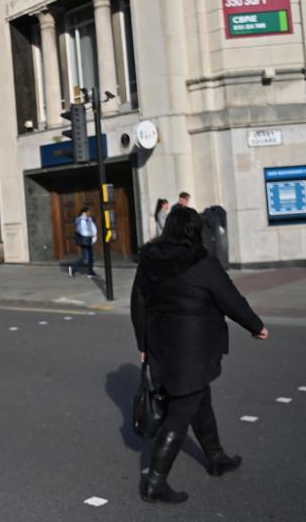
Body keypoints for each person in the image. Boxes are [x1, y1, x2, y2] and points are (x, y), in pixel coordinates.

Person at [131, 207, 268, 504]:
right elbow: (230, 298)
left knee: (198, 397)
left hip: (161, 345)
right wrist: (255, 326)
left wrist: (143, 344)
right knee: (181, 411)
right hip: (194, 347)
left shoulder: (149, 262)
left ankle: (216, 457)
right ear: (195, 231)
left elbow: (138, 305)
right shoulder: (203, 262)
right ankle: (155, 481)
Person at [68, 205, 97, 278]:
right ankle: (73, 269)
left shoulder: (88, 219)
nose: (90, 213)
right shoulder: (81, 220)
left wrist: (94, 235)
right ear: (85, 212)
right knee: (86, 257)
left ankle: (90, 272)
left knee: (91, 257)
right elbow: (82, 230)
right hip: (84, 240)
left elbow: (93, 228)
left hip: (88, 239)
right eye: (88, 211)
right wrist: (91, 234)